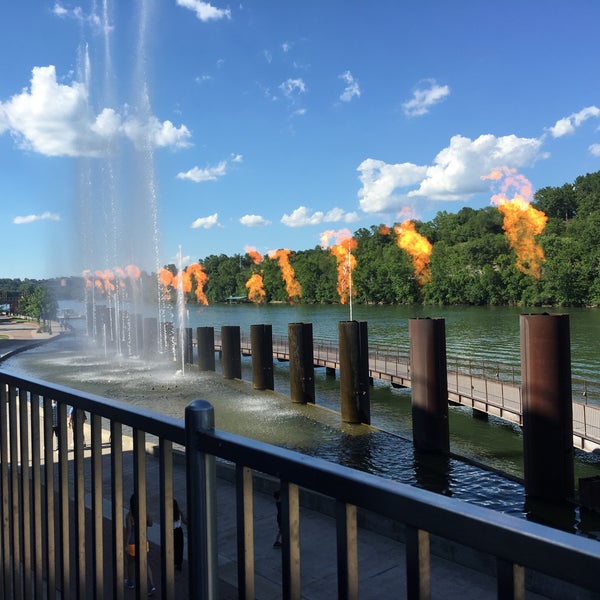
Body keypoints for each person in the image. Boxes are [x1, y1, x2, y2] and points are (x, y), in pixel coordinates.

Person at [124, 493, 156, 595]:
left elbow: (128, 531)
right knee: (145, 564)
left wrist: (126, 544)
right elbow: (151, 524)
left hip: (133, 543)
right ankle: (151, 585)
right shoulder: (145, 513)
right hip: (143, 541)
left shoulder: (129, 515)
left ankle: (130, 582)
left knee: (130, 563)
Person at [173, 498, 188, 571]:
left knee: (174, 547)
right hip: (179, 531)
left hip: (172, 532)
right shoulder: (179, 512)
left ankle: (174, 563)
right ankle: (179, 564)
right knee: (180, 547)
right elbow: (185, 521)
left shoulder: (169, 513)